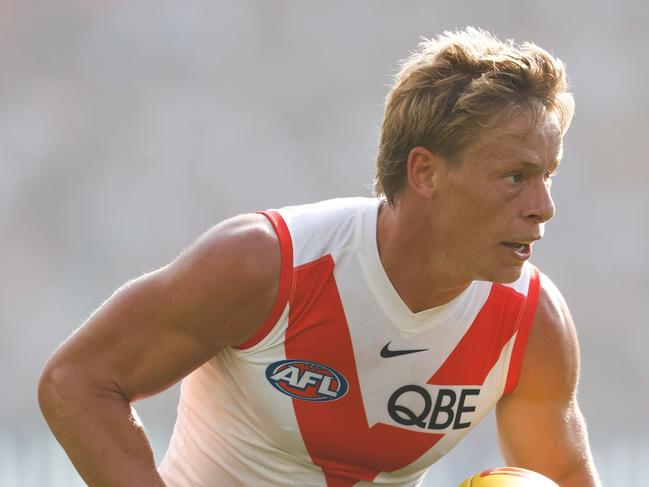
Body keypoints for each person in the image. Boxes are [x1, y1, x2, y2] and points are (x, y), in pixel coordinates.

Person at [38, 27, 601, 486]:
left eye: (547, 176)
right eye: (515, 176)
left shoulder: (532, 322)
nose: (544, 207)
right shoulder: (264, 263)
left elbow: (564, 476)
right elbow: (77, 382)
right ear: (425, 171)